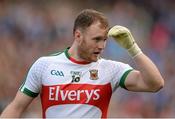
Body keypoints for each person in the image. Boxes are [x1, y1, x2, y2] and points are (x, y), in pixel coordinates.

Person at [0, 9, 164, 118]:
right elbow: (16, 108)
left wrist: (132, 48)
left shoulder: (110, 69)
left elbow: (155, 84)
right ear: (78, 36)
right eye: (97, 39)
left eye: (105, 39)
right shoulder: (44, 65)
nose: (102, 46)